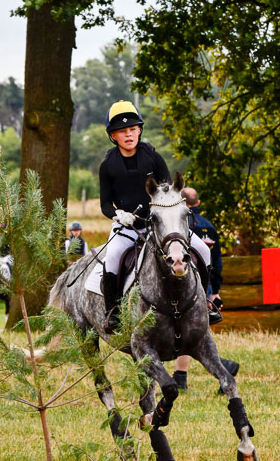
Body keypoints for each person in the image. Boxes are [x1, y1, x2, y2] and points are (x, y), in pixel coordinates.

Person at [99, 100, 212, 333]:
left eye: (132, 129)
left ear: (139, 130)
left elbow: (169, 192)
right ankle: (114, 312)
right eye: (122, 131)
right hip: (128, 227)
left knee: (204, 250)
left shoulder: (153, 157)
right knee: (113, 258)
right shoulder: (107, 165)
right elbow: (104, 204)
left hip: (161, 225)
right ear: (113, 136)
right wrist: (119, 215)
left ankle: (206, 302)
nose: (128, 135)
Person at [173, 187, 239, 391]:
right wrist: (215, 291)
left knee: (192, 334)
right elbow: (216, 262)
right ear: (198, 204)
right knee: (190, 332)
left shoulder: (181, 224)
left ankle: (225, 368)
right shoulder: (209, 227)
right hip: (205, 285)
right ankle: (180, 378)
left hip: (186, 285)